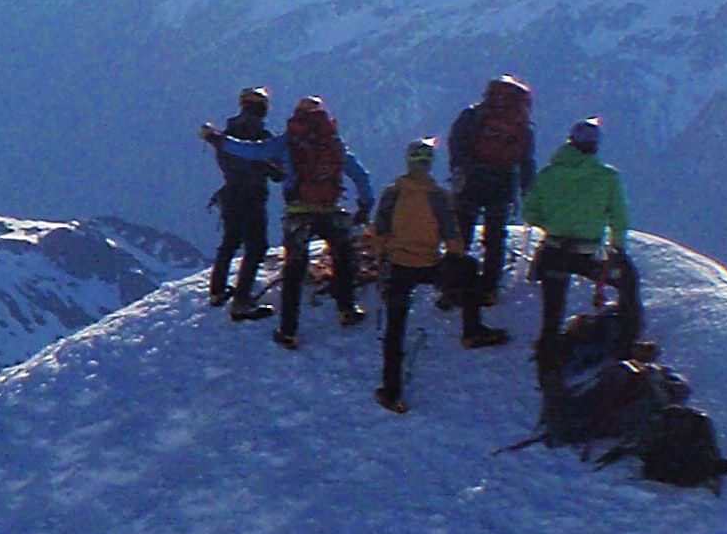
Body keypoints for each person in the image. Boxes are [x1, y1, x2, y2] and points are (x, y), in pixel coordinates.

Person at [365, 139, 502, 409]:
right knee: (469, 271)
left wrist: (382, 259)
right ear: (429, 165)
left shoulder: (392, 193)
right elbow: (453, 236)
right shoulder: (438, 196)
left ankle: (391, 391)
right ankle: (471, 330)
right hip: (429, 264)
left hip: (398, 266)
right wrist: (455, 259)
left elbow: (379, 231)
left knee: (395, 329)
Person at [521, 115, 632, 358]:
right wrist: (617, 248)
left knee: (553, 309)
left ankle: (547, 354)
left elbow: (528, 211)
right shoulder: (607, 176)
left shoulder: (549, 174)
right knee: (627, 283)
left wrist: (551, 222)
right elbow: (619, 218)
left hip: (553, 249)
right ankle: (624, 339)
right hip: (586, 252)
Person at [272, 96, 369, 346]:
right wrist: (365, 204)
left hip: (298, 212)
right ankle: (347, 308)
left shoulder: (289, 142)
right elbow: (360, 175)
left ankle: (288, 330)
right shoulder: (332, 143)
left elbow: (252, 150)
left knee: (294, 268)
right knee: (344, 253)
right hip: (329, 209)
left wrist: (218, 139)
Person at [444, 74, 535, 303]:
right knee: (495, 237)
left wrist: (459, 169)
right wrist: (527, 189)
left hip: (471, 180)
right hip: (502, 184)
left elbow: (455, 142)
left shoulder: (474, 115)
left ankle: (452, 286)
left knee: (461, 231)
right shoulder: (521, 124)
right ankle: (488, 288)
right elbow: (526, 160)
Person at [197, 86, 284, 319]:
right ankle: (242, 300)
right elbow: (278, 172)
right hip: (252, 196)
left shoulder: (225, 135)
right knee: (256, 247)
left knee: (230, 241)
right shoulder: (261, 136)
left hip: (230, 194)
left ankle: (217, 291)